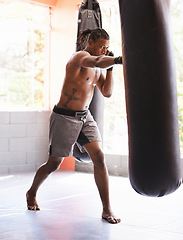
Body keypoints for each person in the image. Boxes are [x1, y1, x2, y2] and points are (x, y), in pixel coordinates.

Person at [26, 28, 122, 224]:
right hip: (64, 118)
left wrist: (111, 69)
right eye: (102, 46)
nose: (104, 50)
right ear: (91, 42)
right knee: (54, 164)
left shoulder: (99, 67)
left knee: (100, 157)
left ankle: (106, 209)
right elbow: (95, 61)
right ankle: (31, 192)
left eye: (107, 48)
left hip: (85, 117)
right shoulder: (80, 57)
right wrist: (118, 60)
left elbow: (107, 92)